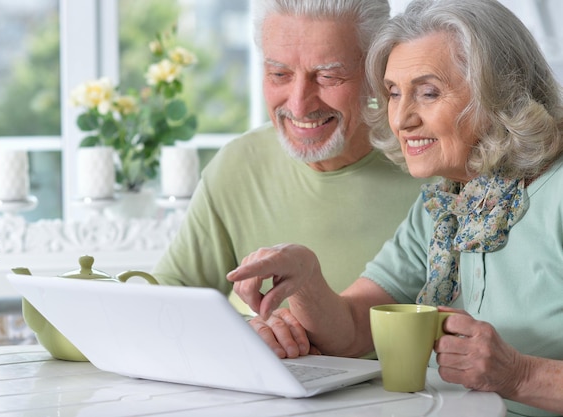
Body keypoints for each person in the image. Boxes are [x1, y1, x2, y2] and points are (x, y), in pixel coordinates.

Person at [227, 0, 563, 415]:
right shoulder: (444, 205)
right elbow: (352, 330)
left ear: (502, 93)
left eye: (428, 92)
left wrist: (520, 375)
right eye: (393, 93)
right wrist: (307, 276)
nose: (401, 118)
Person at [152, 0, 426, 319]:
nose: (298, 106)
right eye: (279, 74)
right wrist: (253, 333)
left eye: (327, 77)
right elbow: (170, 296)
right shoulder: (238, 166)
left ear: (377, 71)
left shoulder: (432, 168)